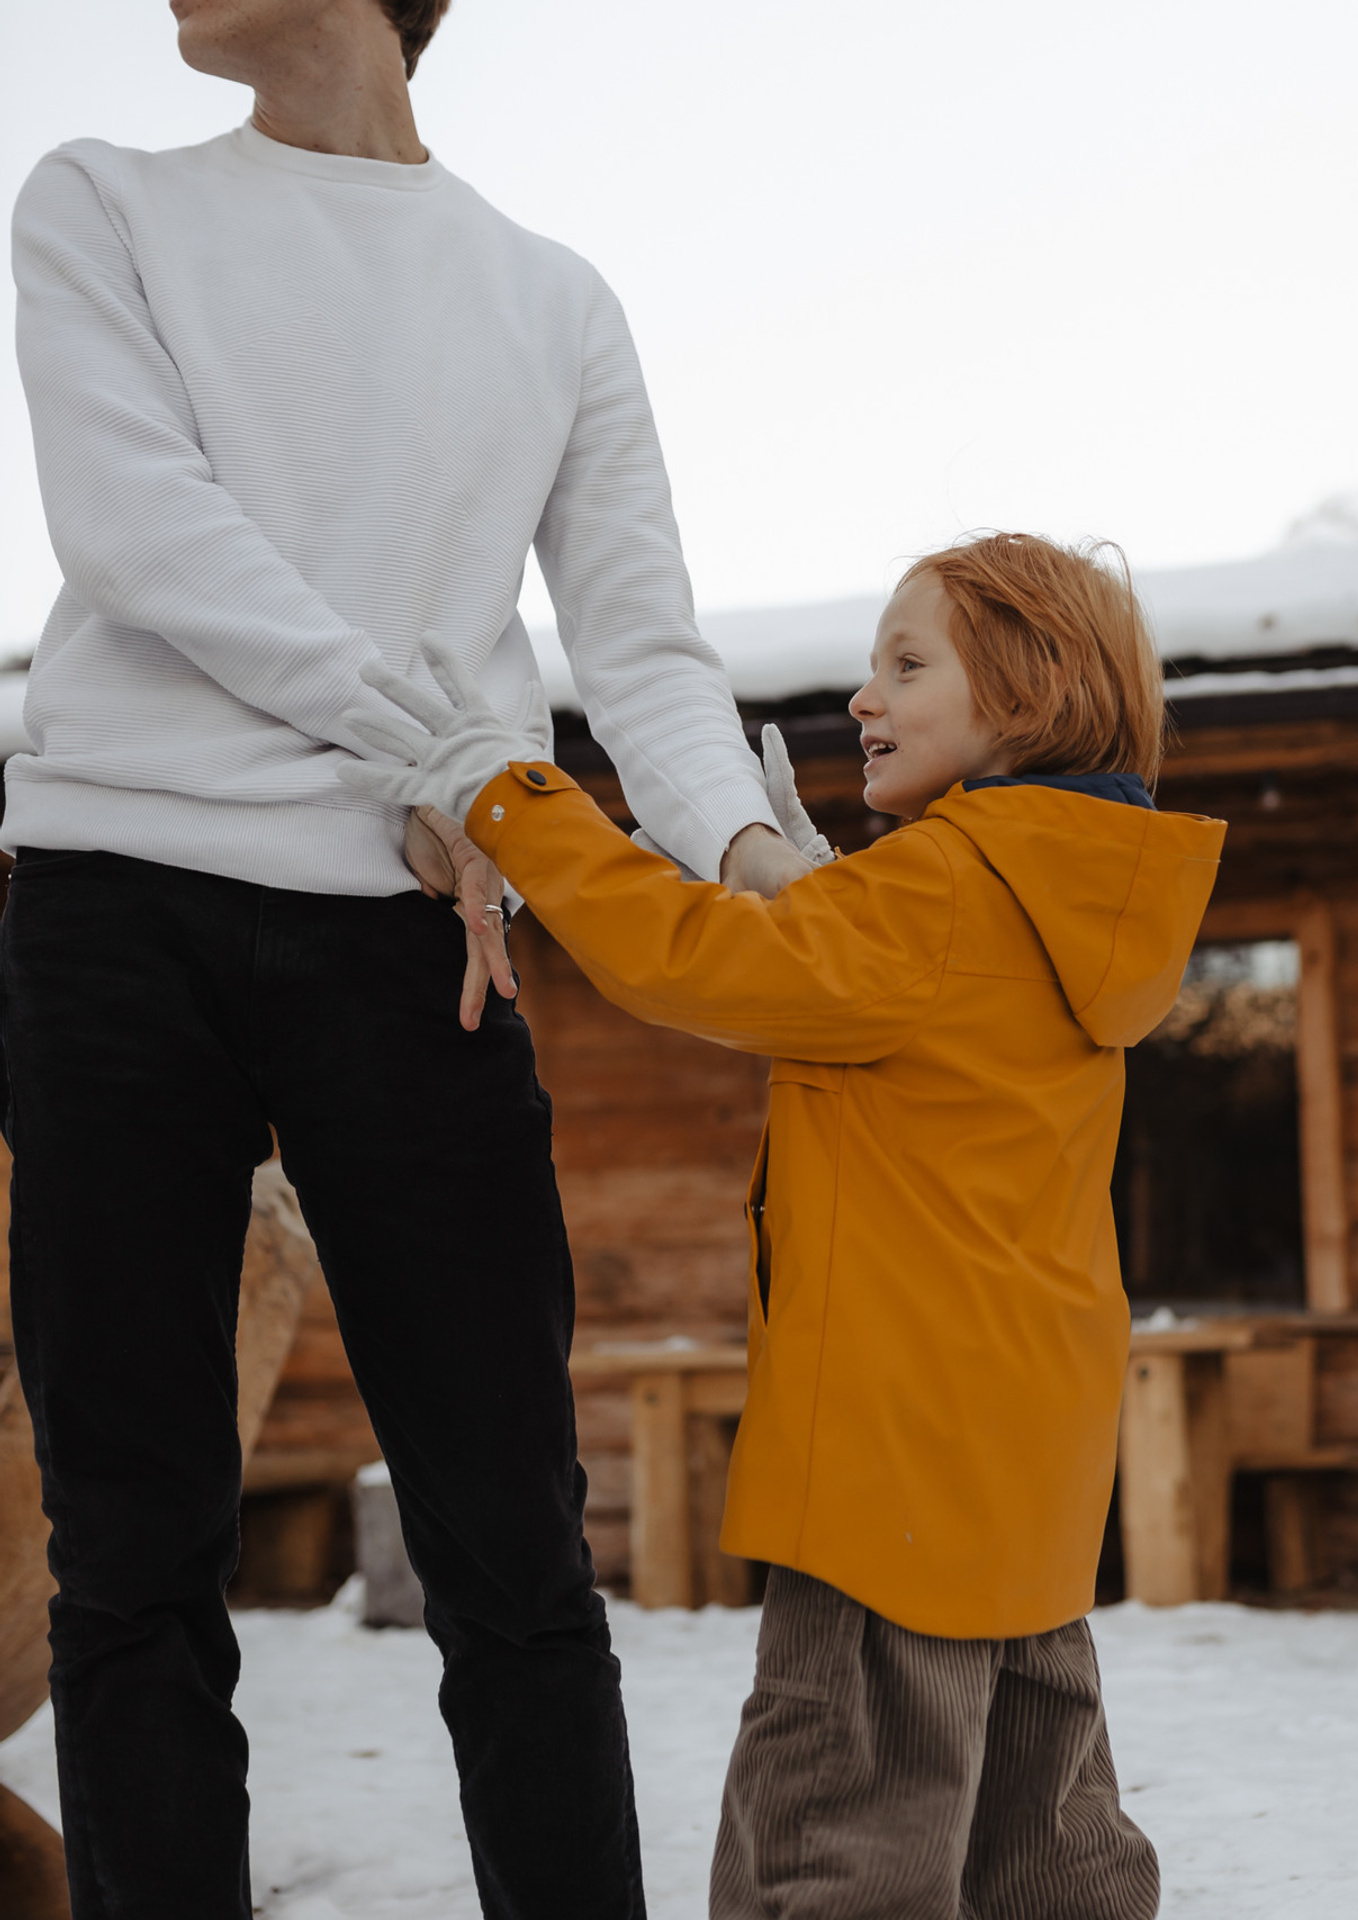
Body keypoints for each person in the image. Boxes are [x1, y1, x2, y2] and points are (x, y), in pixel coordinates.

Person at [5, 2, 808, 1913]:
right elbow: (142, 538)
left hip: (411, 942)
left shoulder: (550, 298)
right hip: (114, 909)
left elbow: (646, 651)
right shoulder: (101, 201)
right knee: (130, 1553)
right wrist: (432, 749)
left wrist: (770, 863)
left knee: (515, 1546)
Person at [344, 532, 1227, 1920]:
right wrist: (827, 894)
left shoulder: (939, 893)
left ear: (1030, 693)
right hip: (1032, 1467)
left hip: (888, 1465)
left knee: (835, 1844)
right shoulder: (1077, 900)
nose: (864, 697)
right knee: (1040, 1848)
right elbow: (912, 1027)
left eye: (907, 664)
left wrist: (511, 793)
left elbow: (685, 957)